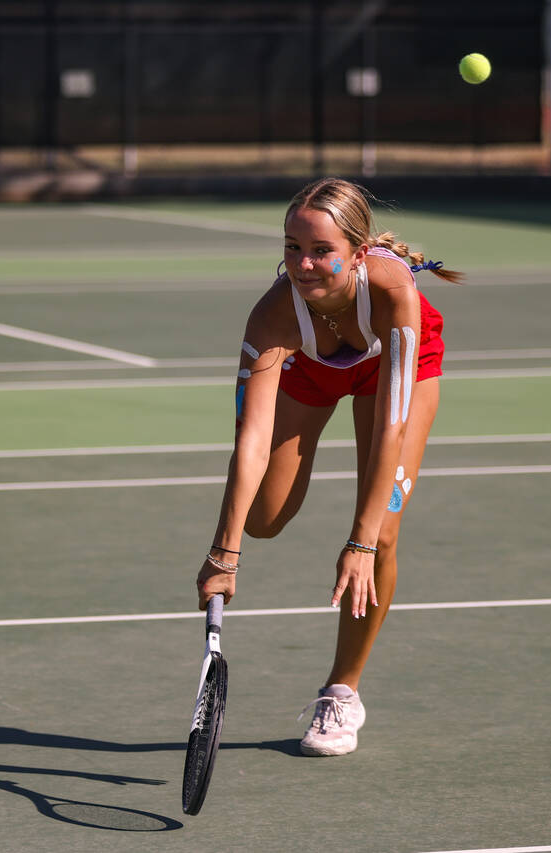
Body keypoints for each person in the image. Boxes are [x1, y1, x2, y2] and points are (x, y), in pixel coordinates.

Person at [195, 177, 459, 756]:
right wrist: (224, 551)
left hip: (394, 366)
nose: (304, 264)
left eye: (321, 251)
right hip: (312, 370)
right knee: (263, 519)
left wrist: (361, 542)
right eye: (293, 248)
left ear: (358, 252)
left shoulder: (392, 291)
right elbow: (251, 440)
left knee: (383, 531)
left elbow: (392, 419)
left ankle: (342, 692)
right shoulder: (272, 316)